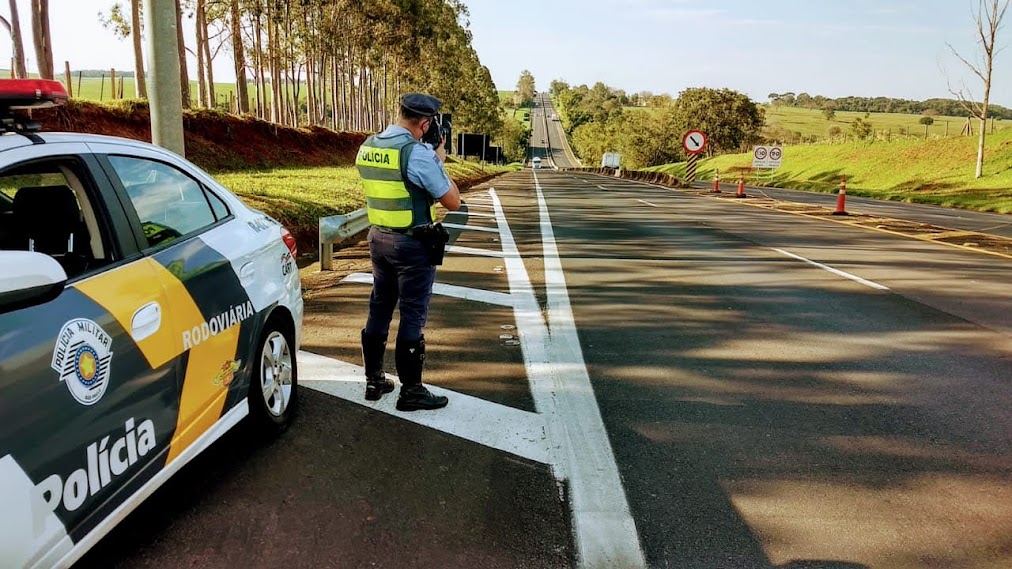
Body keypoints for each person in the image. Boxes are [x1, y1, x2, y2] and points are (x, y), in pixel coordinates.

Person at [355, 93, 461, 411]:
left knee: (380, 308)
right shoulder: (417, 154)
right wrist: (438, 160)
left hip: (378, 239)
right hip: (412, 245)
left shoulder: (369, 145)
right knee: (413, 315)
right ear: (425, 123)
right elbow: (452, 201)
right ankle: (411, 392)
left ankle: (374, 380)